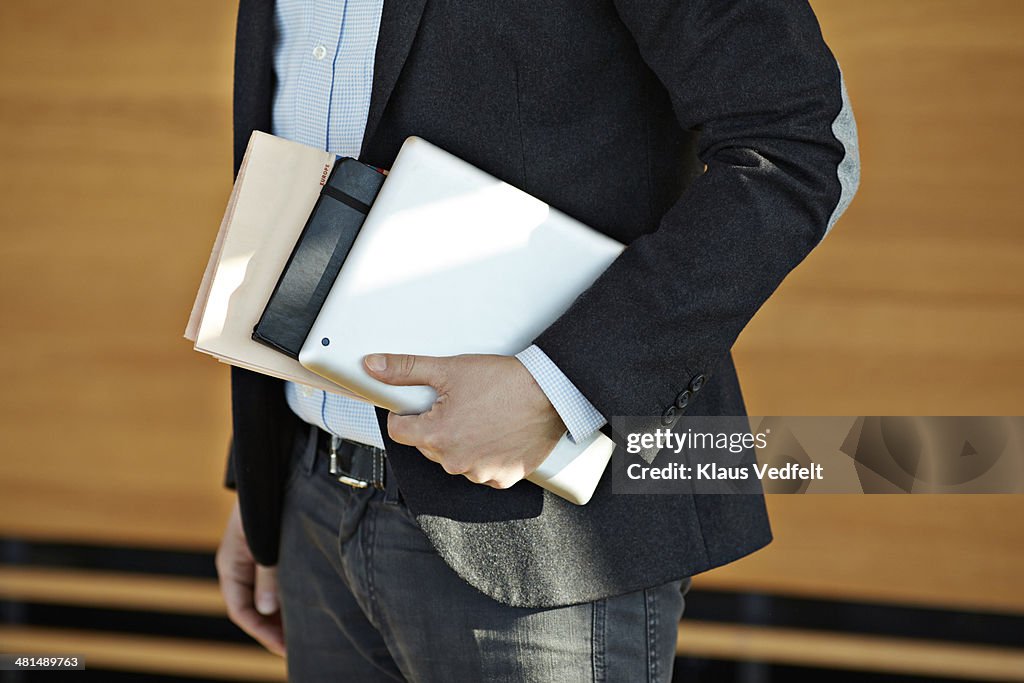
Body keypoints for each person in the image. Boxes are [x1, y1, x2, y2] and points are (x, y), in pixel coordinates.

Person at [215, 0, 859, 680]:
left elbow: (792, 145)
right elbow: (316, 135)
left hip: (541, 537)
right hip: (312, 501)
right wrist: (263, 470)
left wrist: (561, 383)